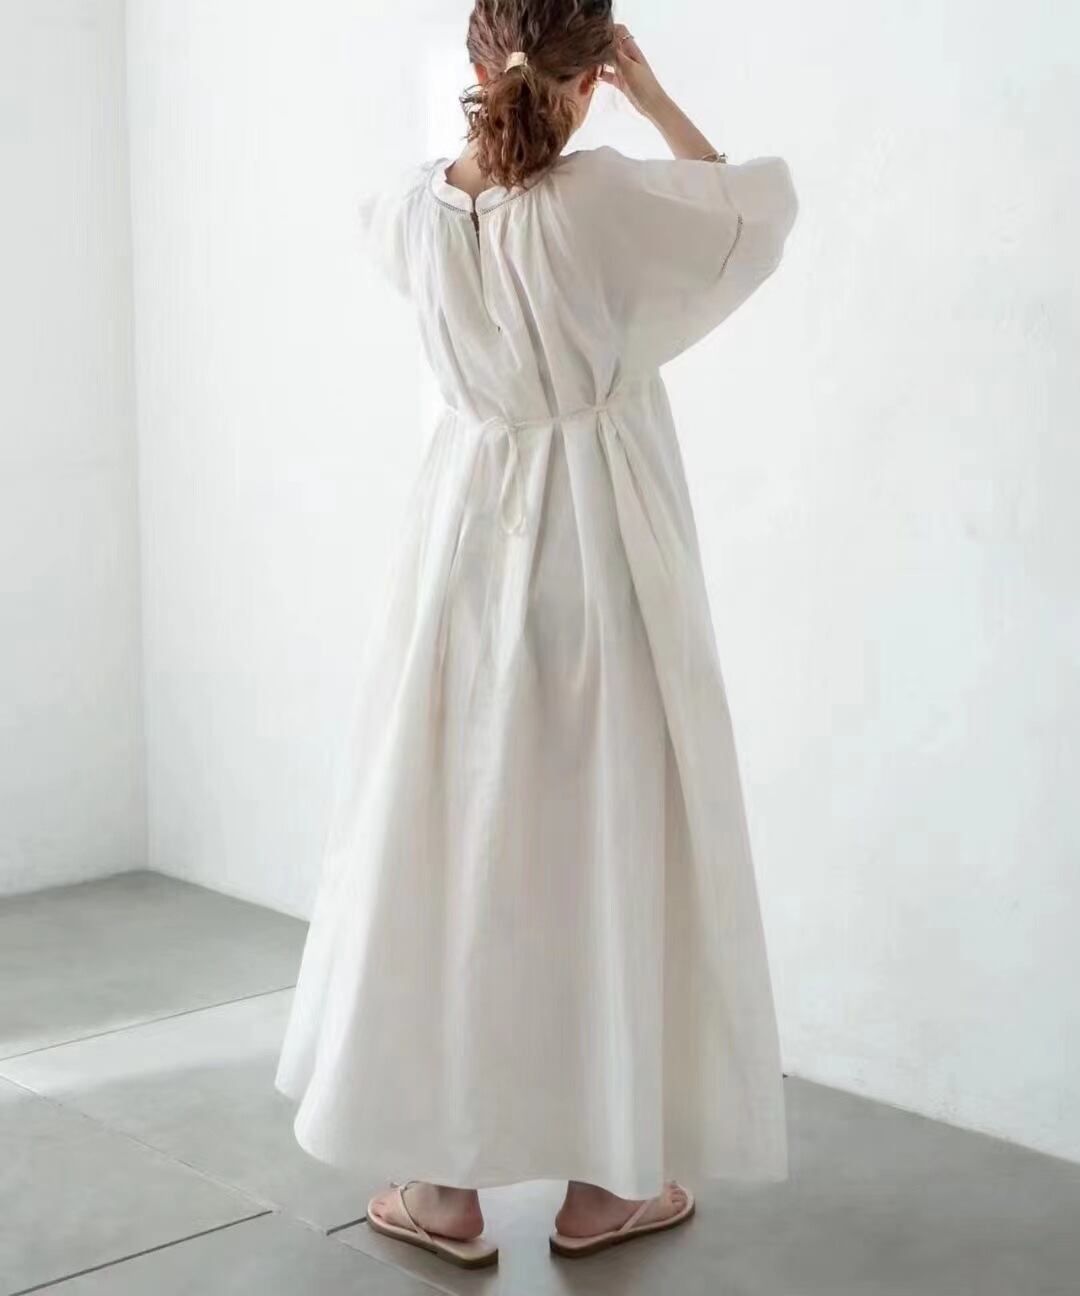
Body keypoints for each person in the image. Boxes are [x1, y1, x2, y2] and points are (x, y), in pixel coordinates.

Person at [275, 0, 798, 1270]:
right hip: (600, 546)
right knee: (601, 833)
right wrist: (655, 98)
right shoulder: (603, 201)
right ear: (593, 73)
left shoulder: (410, 214)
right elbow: (747, 217)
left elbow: (469, 205)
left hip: (463, 546)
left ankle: (443, 1188)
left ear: (477, 59)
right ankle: (602, 1186)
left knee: (459, 832)